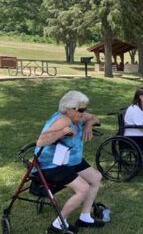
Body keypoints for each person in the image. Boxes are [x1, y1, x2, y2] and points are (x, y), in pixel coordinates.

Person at [35, 91, 104, 234]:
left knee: (96, 178)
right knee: (83, 188)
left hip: (71, 161)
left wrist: (88, 124)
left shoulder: (77, 117)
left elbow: (95, 118)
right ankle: (57, 225)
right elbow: (41, 141)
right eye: (81, 109)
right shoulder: (63, 120)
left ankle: (85, 217)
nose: (84, 112)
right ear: (69, 109)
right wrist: (61, 133)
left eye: (84, 108)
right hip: (52, 164)